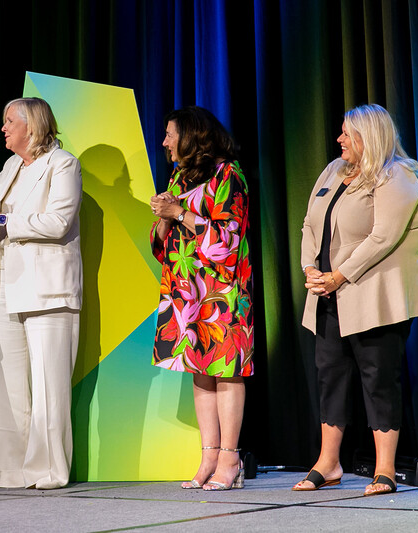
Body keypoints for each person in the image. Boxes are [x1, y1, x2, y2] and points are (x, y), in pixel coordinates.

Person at [293, 104, 418, 496]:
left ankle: (385, 468)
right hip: (327, 294)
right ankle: (329, 463)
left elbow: (383, 236)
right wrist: (310, 267)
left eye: (347, 133)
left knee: (378, 378)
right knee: (330, 376)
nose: (339, 139)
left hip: (375, 297)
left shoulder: (397, 176)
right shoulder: (333, 171)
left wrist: (339, 275)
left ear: (368, 137)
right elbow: (309, 223)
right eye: (340, 132)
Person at [0, 97, 82, 490]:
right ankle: (12, 469)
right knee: (13, 385)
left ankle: (48, 470)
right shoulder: (12, 165)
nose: (3, 128)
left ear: (31, 126)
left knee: (49, 385)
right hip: (8, 287)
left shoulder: (63, 164)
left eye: (9, 121)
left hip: (48, 290)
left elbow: (59, 221)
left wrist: (1, 219)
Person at [150, 106, 254, 491]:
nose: (164, 142)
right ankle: (208, 453)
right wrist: (164, 215)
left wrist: (177, 212)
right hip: (185, 291)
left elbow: (227, 240)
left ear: (192, 137)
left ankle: (230, 458)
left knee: (226, 371)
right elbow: (162, 243)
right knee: (200, 370)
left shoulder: (229, 175)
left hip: (222, 290)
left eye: (170, 134)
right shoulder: (180, 176)